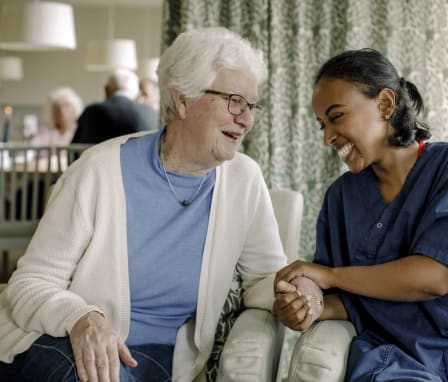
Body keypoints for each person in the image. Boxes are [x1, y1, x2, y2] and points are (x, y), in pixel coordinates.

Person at [0, 27, 287, 381]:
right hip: (63, 341)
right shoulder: (97, 171)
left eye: (251, 105)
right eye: (233, 100)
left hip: (158, 359)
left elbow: (263, 278)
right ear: (182, 100)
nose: (246, 118)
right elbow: (29, 283)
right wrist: (81, 318)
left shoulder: (245, 179)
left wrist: (293, 292)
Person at [273, 48, 448, 381]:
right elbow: (344, 300)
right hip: (390, 362)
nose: (327, 137)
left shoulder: (443, 170)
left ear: (384, 104)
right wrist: (305, 305)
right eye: (321, 125)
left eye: (336, 117)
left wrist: (331, 276)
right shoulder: (340, 198)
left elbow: (435, 277)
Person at [72, 68, 152, 144]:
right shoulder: (150, 113)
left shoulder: (91, 112)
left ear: (106, 90)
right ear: (137, 94)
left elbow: (74, 150)